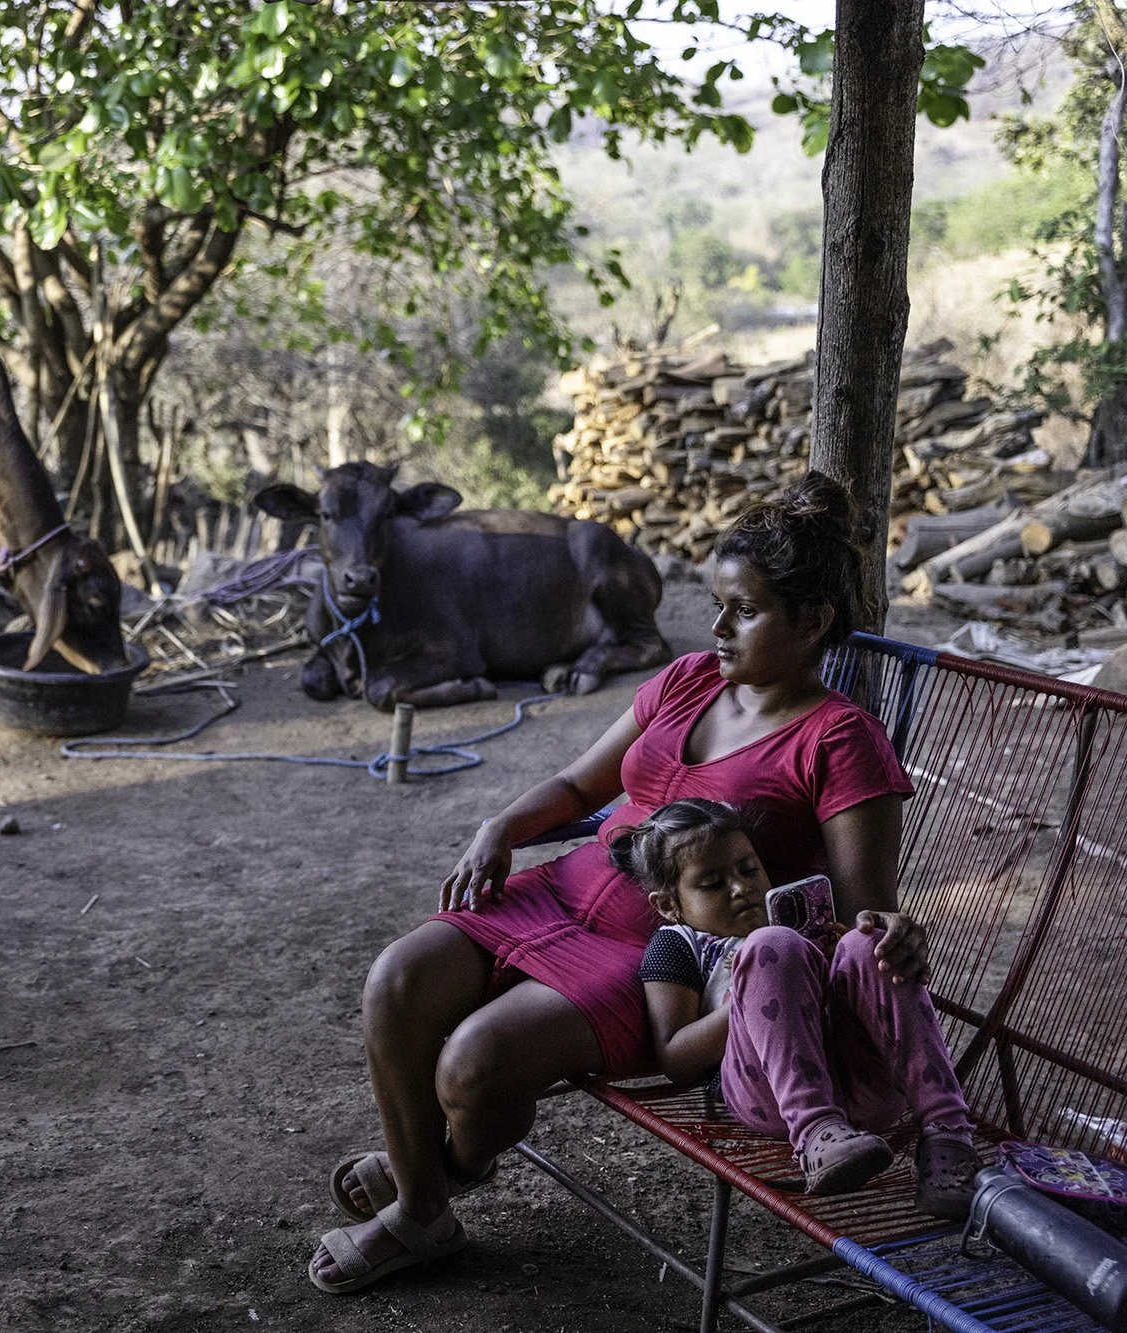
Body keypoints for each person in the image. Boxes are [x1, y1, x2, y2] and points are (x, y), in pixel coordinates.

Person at [309, 474, 927, 1295]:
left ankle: (429, 1184)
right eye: (717, 604)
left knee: (473, 1064)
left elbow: (855, 915)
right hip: (560, 890)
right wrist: (501, 829)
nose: (716, 627)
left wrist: (893, 931)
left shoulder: (840, 739)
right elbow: (575, 787)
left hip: (658, 957)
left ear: (812, 622)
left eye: (743, 610)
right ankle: (427, 1197)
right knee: (397, 979)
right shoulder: (687, 681)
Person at [621, 797, 980, 1217]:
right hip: (772, 1099)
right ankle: (817, 1134)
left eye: (748, 869)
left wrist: (838, 962)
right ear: (668, 905)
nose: (741, 888)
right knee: (772, 946)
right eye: (713, 884)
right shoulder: (678, 946)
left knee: (865, 944)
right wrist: (748, 996)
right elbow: (675, 1057)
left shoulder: (797, 920)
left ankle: (948, 1135)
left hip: (868, 1090)